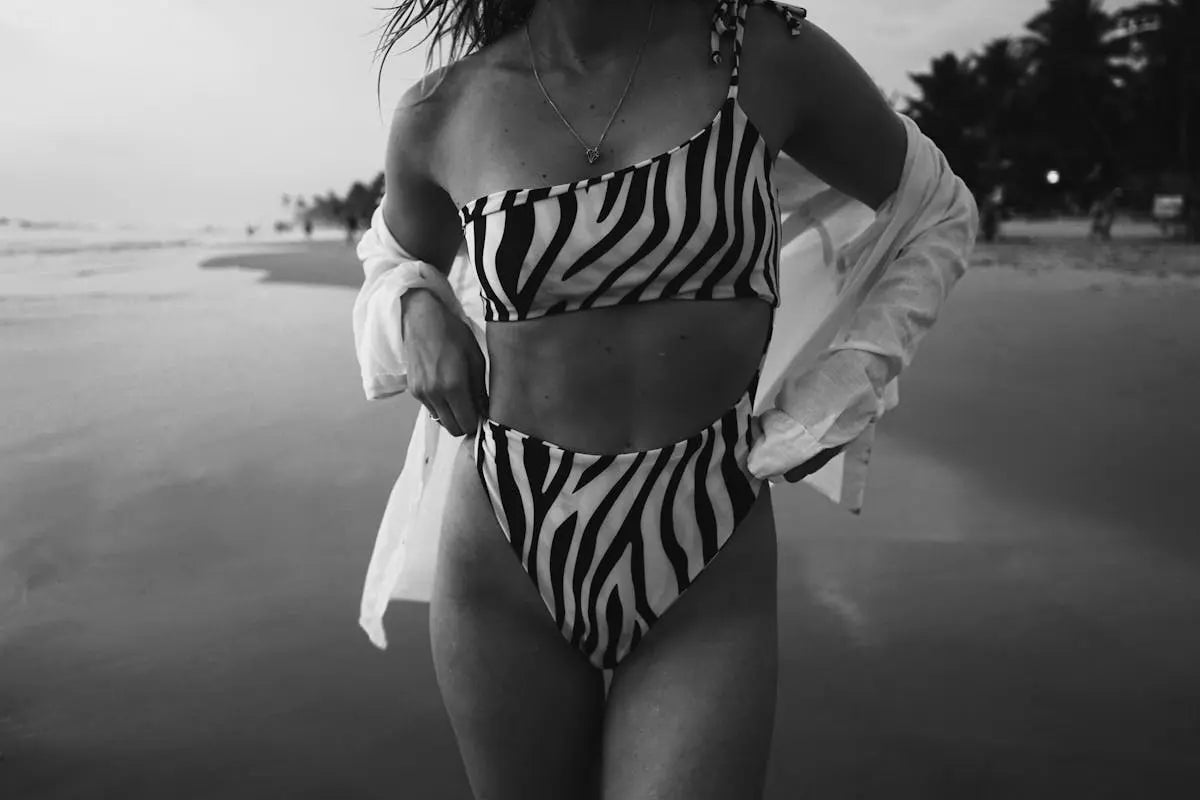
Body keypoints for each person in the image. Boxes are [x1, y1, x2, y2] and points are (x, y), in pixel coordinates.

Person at [356, 1, 976, 798]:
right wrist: (413, 306)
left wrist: (851, 380)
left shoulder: (761, 52)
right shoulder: (444, 108)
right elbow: (391, 256)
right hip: (507, 543)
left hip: (705, 537)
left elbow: (938, 210)